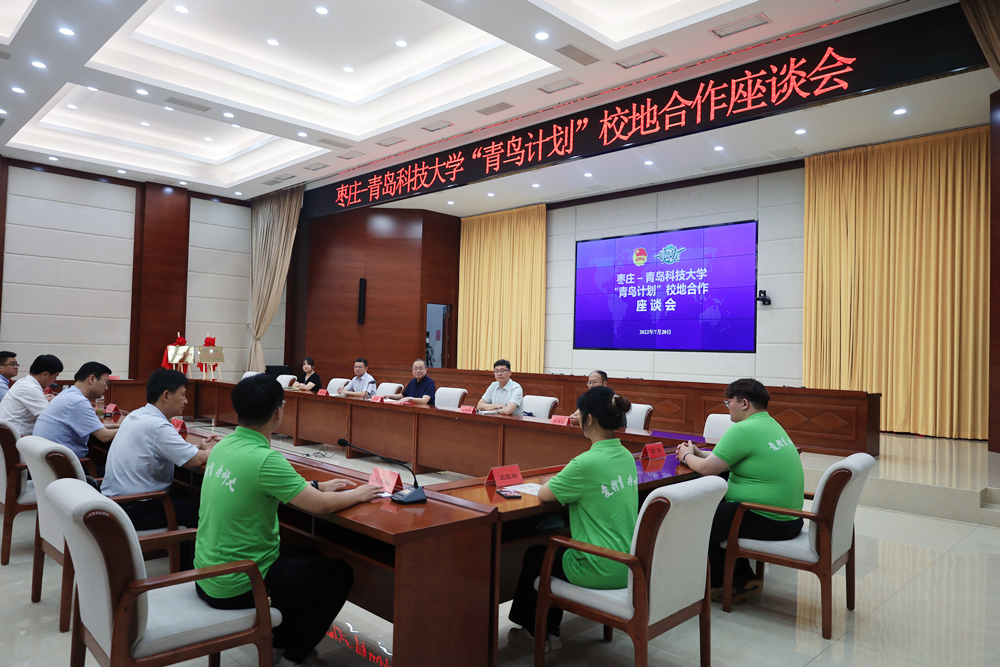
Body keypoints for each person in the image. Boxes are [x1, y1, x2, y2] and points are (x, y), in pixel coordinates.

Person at [194, 373, 380, 667]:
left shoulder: (223, 446)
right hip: (239, 583)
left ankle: (279, 645)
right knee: (340, 574)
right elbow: (321, 506)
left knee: (310, 554)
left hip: (207, 574)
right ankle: (293, 658)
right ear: (278, 412)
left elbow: (263, 485)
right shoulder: (266, 459)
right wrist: (358, 493)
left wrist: (315, 486)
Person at [507, 387, 638, 651]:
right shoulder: (626, 455)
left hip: (599, 568)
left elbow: (544, 494)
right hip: (629, 565)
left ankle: (536, 634)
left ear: (589, 419)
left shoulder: (585, 463)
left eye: (579, 413)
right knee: (556, 551)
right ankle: (551, 631)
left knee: (537, 555)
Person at [675, 378, 805, 603]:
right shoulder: (771, 424)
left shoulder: (743, 429)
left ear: (744, 403)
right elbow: (726, 458)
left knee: (699, 518)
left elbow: (707, 469)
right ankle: (744, 577)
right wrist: (700, 453)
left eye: (729, 402)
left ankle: (720, 584)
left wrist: (686, 456)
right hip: (790, 518)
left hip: (767, 518)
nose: (728, 408)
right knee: (720, 512)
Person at [100, 369, 220, 569]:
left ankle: (181, 562)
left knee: (185, 495)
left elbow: (170, 447)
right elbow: (195, 460)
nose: (186, 401)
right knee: (203, 510)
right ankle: (188, 572)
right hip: (136, 508)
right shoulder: (158, 426)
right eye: (183, 394)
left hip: (116, 503)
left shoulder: (138, 415)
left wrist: (198, 447)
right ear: (166, 395)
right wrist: (209, 450)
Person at [34, 361, 119, 464]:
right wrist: (130, 428)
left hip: (49, 463)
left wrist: (121, 426)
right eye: (106, 382)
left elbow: (96, 427)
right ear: (92, 379)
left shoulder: (67, 394)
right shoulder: (78, 401)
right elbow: (105, 436)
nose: (106, 388)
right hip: (65, 467)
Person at [0, 354, 63, 436]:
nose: (55, 380)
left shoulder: (23, 382)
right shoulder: (30, 388)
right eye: (55, 376)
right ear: (45, 374)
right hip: (16, 438)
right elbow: (50, 417)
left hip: (10, 434)